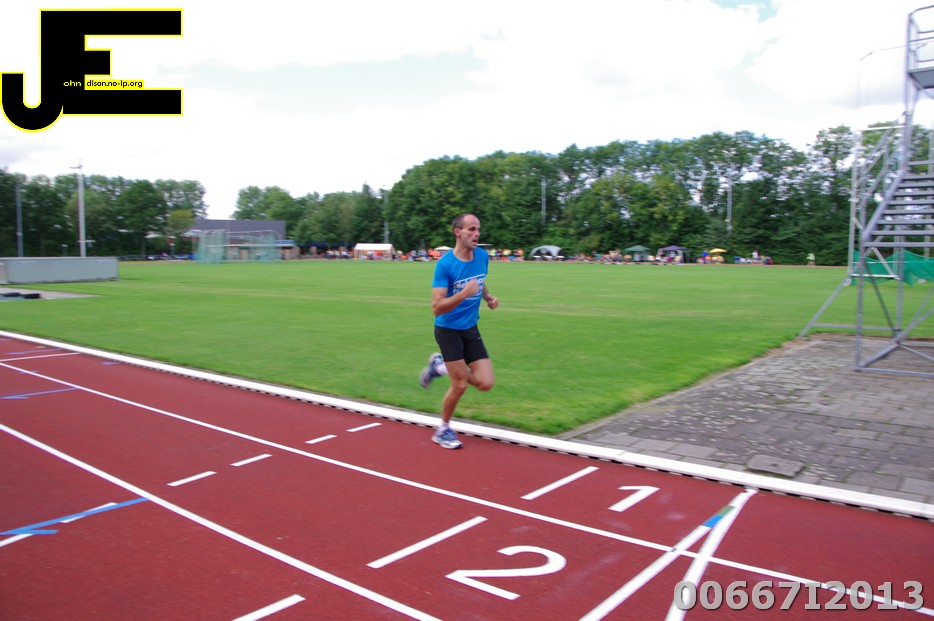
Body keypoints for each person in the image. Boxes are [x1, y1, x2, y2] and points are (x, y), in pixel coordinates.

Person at [418, 214, 499, 449]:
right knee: (460, 383)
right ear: (458, 232)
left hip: (470, 327)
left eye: (478, 229)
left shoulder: (482, 256)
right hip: (448, 330)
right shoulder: (445, 265)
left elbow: (479, 280)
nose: (477, 234)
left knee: (486, 382)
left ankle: (439, 367)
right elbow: (436, 307)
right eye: (471, 229)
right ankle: (443, 430)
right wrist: (463, 294)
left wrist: (487, 297)